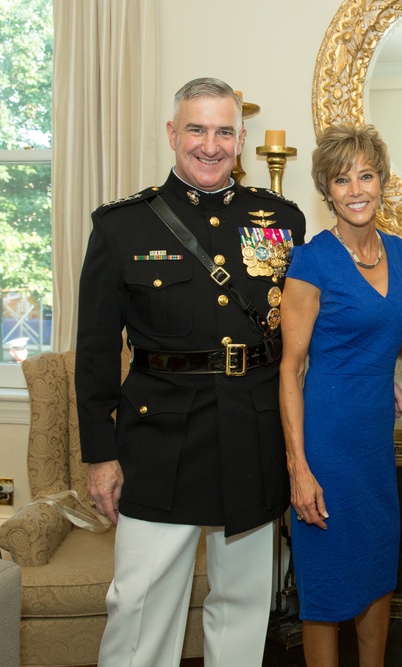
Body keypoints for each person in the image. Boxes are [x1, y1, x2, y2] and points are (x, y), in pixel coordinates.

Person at [76, 77, 306, 666]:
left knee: (244, 602)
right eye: (197, 129)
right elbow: (97, 351)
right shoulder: (121, 226)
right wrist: (100, 455)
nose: (211, 145)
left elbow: (303, 332)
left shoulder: (281, 221)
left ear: (242, 139)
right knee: (141, 604)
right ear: (173, 134)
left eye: (223, 131)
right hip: (161, 437)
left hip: (252, 431)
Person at [279, 124, 402, 666]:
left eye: (365, 174)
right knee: (325, 585)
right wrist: (299, 468)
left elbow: (389, 333)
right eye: (341, 179)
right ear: (326, 189)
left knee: (376, 572)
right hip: (326, 438)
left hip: (373, 441)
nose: (356, 189)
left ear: (382, 181)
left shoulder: (401, 252)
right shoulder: (312, 260)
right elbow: (291, 365)